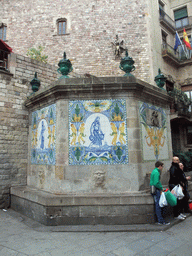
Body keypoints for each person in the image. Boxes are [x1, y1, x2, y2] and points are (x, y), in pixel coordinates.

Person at [150, 161, 170, 225]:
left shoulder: (154, 171)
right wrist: (161, 188)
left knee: (158, 205)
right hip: (156, 190)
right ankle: (160, 220)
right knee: (159, 205)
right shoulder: (157, 172)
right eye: (162, 166)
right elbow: (156, 182)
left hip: (154, 189)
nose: (162, 168)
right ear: (160, 166)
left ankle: (160, 220)